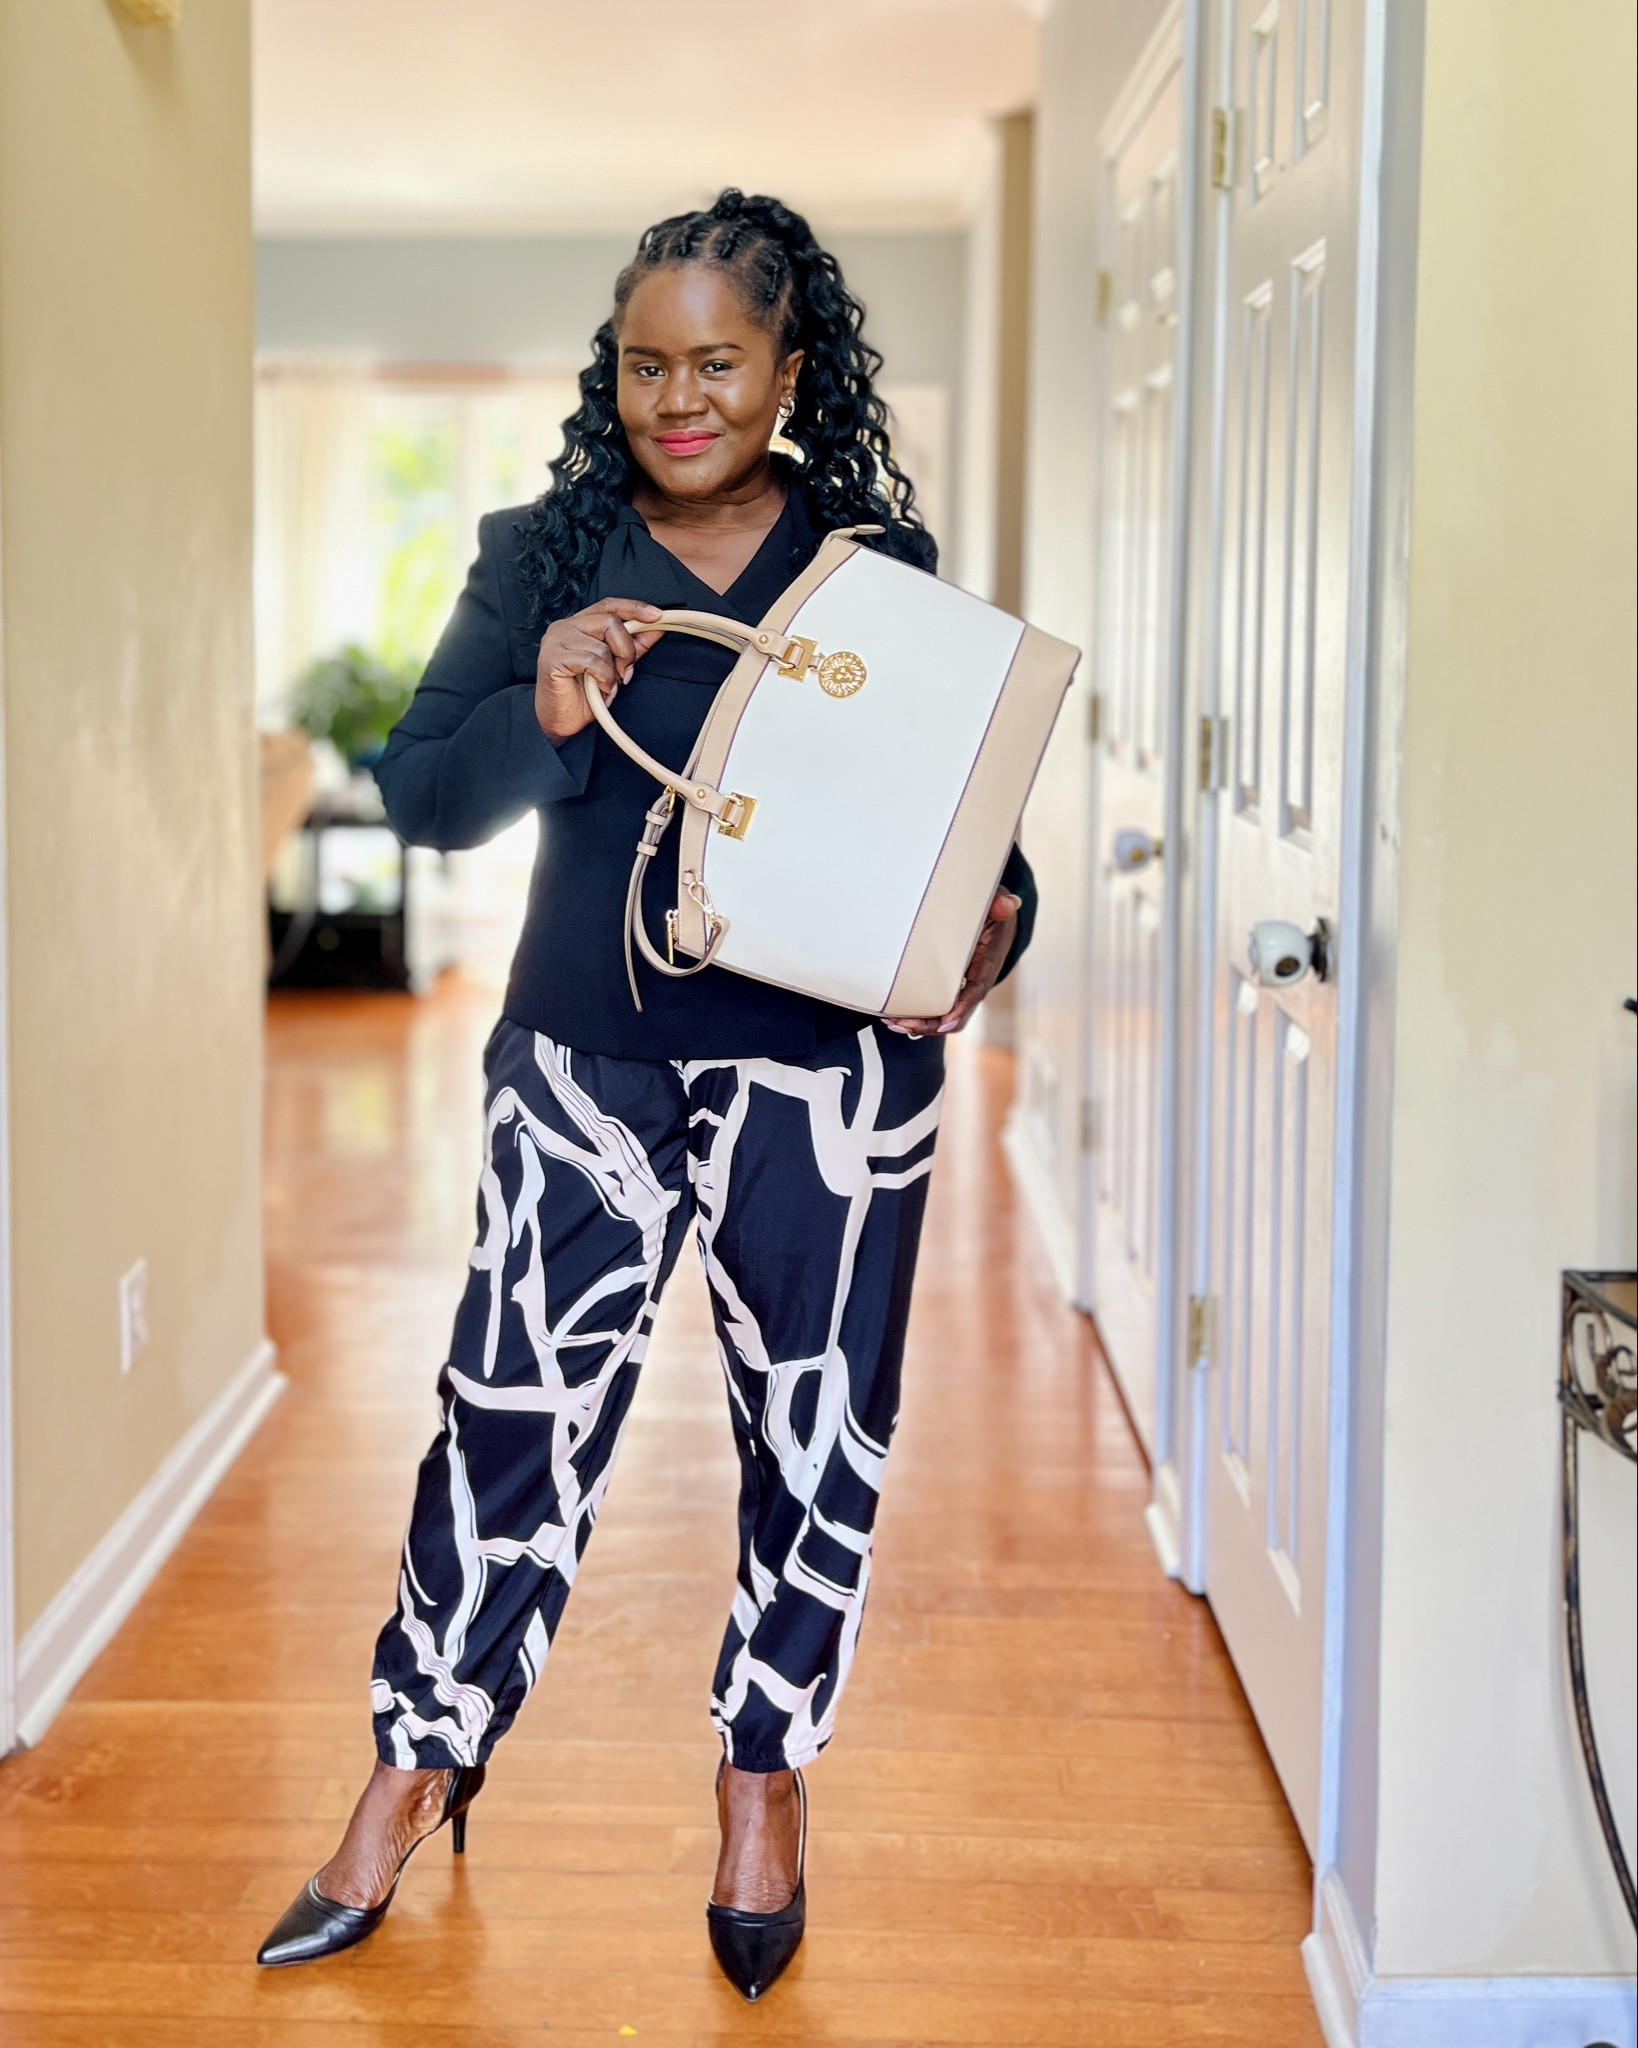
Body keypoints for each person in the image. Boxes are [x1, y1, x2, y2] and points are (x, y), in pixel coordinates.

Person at [257, 188, 1037, 2001]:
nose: (674, 396)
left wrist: (992, 934)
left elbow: (973, 836)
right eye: (642, 362)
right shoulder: (541, 551)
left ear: (786, 370)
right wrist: (532, 702)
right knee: (505, 1420)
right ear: (610, 373)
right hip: (584, 1063)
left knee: (817, 1431)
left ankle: (762, 1782)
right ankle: (411, 1770)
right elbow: (424, 795)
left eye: (716, 362)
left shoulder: (871, 573)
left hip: (824, 1072)